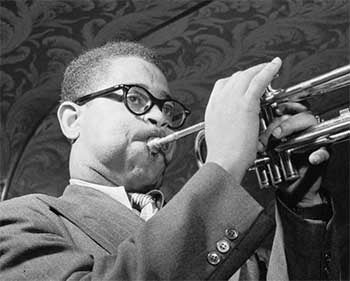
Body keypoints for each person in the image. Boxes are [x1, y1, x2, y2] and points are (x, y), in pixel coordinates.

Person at [0, 41, 333, 280]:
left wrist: (301, 206)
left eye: (169, 110)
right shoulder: (20, 220)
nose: (160, 116)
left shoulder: (226, 225)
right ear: (73, 120)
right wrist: (226, 164)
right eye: (136, 98)